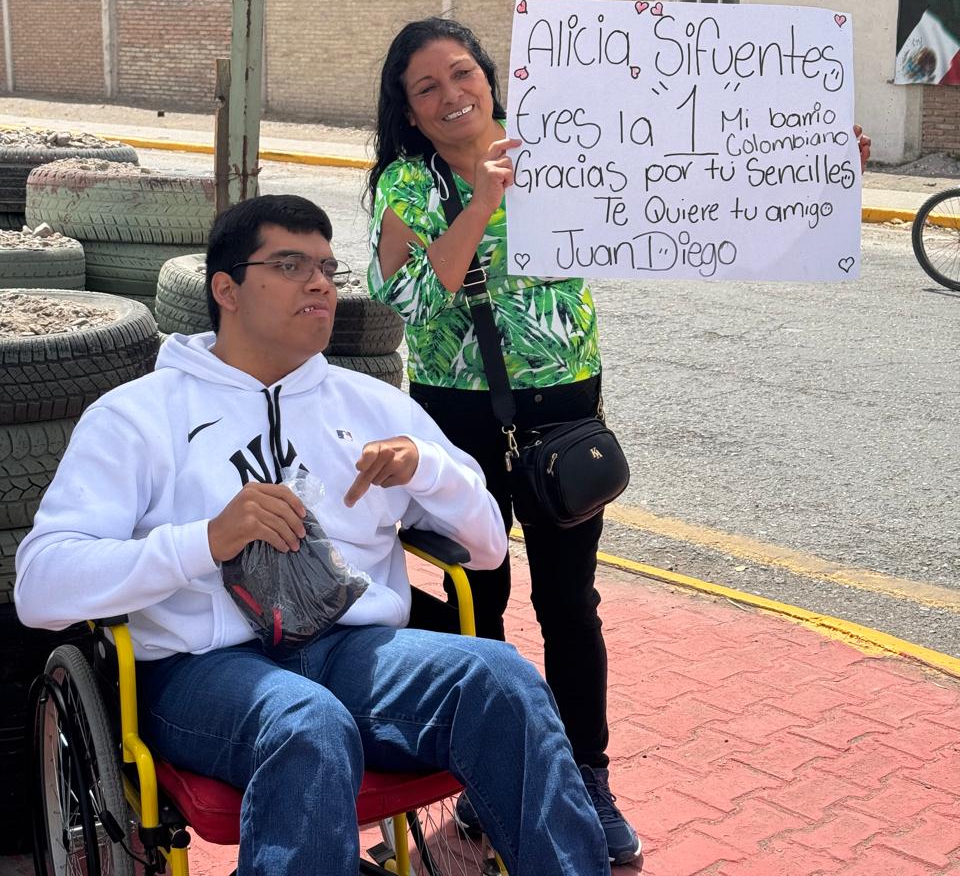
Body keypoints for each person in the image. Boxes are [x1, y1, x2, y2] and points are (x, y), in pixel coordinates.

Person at [16, 194, 609, 876]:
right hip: (201, 670)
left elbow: (486, 548)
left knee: (502, 678)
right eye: (291, 265)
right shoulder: (136, 418)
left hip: (354, 651)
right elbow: (40, 587)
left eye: (327, 267)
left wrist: (429, 470)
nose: (320, 283)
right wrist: (204, 540)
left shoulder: (373, 406)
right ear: (226, 289)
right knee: (306, 721)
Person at [366, 17, 642, 865]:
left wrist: (811, 172)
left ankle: (588, 778)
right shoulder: (406, 186)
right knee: (479, 600)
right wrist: (483, 200)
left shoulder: (562, 147)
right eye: (427, 88)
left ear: (489, 75)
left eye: (462, 74)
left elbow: (682, 190)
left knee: (570, 603)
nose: (451, 96)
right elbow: (413, 298)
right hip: (460, 415)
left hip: (565, 409)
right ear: (409, 111)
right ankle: (491, 773)